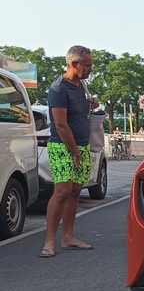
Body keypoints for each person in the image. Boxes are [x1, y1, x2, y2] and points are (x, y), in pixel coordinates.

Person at [40, 45, 98, 257]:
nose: (91, 70)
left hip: (82, 145)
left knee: (75, 191)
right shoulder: (58, 88)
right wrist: (74, 152)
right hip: (63, 146)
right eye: (88, 65)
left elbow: (77, 113)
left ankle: (68, 238)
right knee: (62, 191)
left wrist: (90, 104)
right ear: (74, 64)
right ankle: (49, 241)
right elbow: (61, 125)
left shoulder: (81, 85)